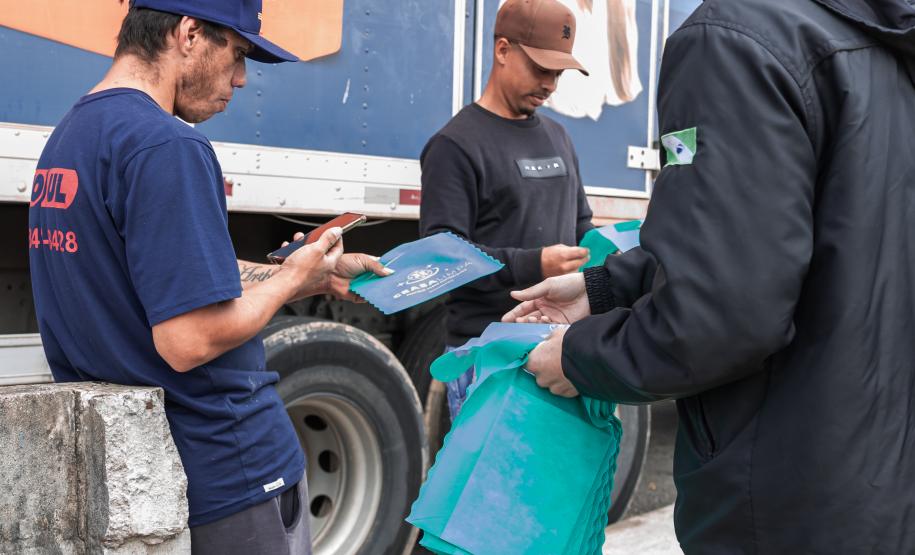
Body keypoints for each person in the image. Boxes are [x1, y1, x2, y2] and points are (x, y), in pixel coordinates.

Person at [504, 0, 915, 551]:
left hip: (784, 504)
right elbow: (792, 243)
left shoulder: (733, 39)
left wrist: (580, 357)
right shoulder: (878, 46)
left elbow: (721, 315)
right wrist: (604, 288)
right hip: (878, 488)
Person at [27, 1, 389, 553]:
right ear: (189, 33)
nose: (240, 79)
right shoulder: (168, 146)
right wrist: (288, 285)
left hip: (140, 476)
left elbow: (169, 280)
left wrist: (308, 273)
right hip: (227, 472)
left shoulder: (72, 136)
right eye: (238, 54)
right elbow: (188, 338)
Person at [419, 0, 593, 420]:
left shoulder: (559, 136)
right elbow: (441, 257)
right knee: (491, 487)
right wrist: (535, 264)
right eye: (540, 68)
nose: (550, 84)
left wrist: (606, 257)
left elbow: (581, 224)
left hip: (558, 348)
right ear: (502, 50)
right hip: (488, 354)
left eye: (558, 73)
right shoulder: (455, 145)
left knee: (552, 484)